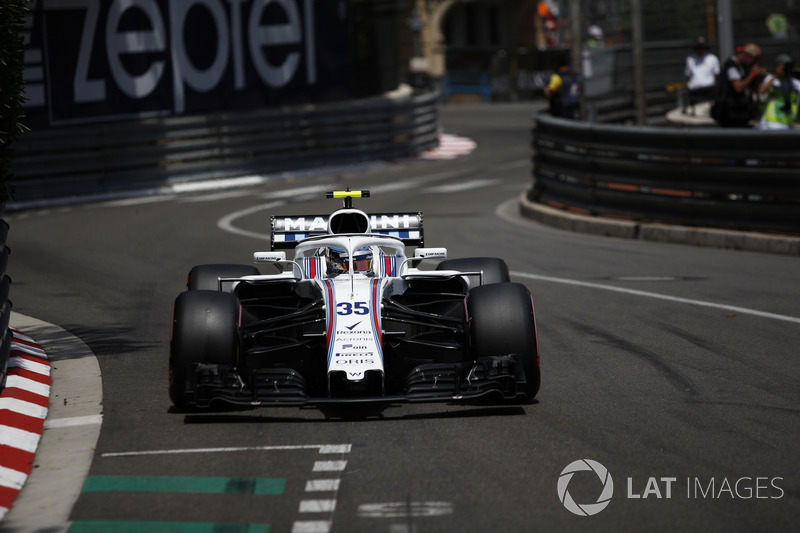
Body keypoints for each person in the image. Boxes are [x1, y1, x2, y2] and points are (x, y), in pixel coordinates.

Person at [713, 43, 765, 127]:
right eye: (754, 59)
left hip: (741, 114)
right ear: (746, 55)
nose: (753, 63)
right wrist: (752, 75)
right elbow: (738, 87)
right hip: (731, 116)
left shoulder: (742, 67)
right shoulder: (731, 66)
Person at [757, 54, 800, 130]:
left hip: (786, 124)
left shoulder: (796, 83)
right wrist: (776, 75)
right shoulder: (771, 80)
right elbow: (761, 91)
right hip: (769, 124)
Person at [684, 37, 720, 113]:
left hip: (709, 89)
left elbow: (716, 75)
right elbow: (688, 75)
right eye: (698, 47)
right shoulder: (690, 59)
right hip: (694, 89)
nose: (700, 50)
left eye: (702, 47)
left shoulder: (713, 59)